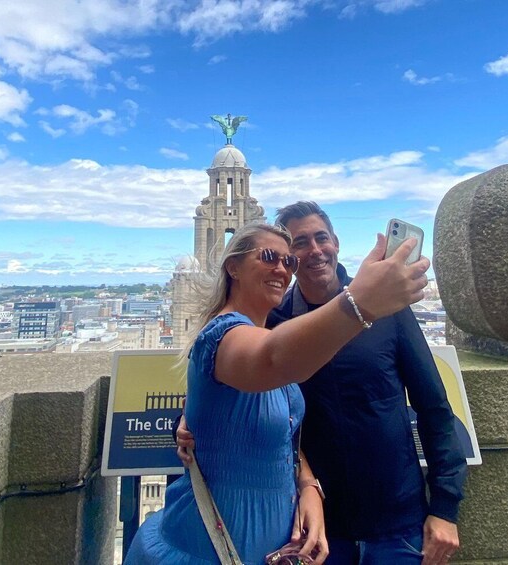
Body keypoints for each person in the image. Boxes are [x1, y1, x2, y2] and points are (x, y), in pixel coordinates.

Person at [177, 202, 467, 565]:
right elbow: (234, 376)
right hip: (315, 530)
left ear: (336, 243)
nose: (314, 250)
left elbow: (434, 408)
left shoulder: (390, 313)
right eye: (298, 244)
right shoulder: (273, 321)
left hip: (396, 520)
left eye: (321, 238)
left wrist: (445, 506)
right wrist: (188, 419)